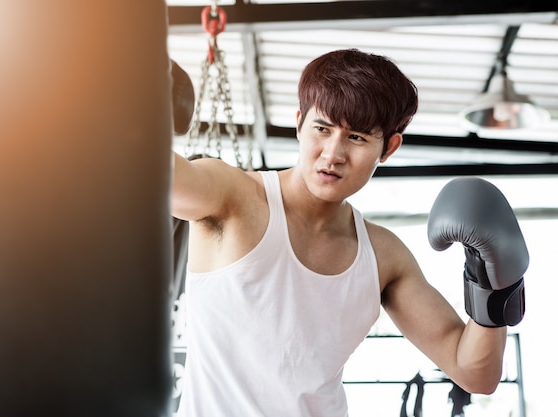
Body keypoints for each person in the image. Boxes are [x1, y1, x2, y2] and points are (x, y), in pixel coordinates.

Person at [170, 48, 527, 417]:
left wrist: (493, 285)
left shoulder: (383, 256)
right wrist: (132, 96)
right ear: (298, 123)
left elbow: (474, 372)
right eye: (322, 129)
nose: (333, 154)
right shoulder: (233, 196)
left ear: (388, 147)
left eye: (356, 137)